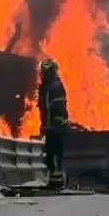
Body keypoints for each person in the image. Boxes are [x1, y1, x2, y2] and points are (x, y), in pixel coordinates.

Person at [37, 58, 69, 189]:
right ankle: (55, 180)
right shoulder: (47, 87)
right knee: (52, 156)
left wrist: (48, 127)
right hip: (53, 128)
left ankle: (57, 181)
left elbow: (53, 109)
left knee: (54, 155)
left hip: (56, 129)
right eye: (42, 71)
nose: (42, 74)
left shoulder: (53, 87)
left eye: (45, 71)